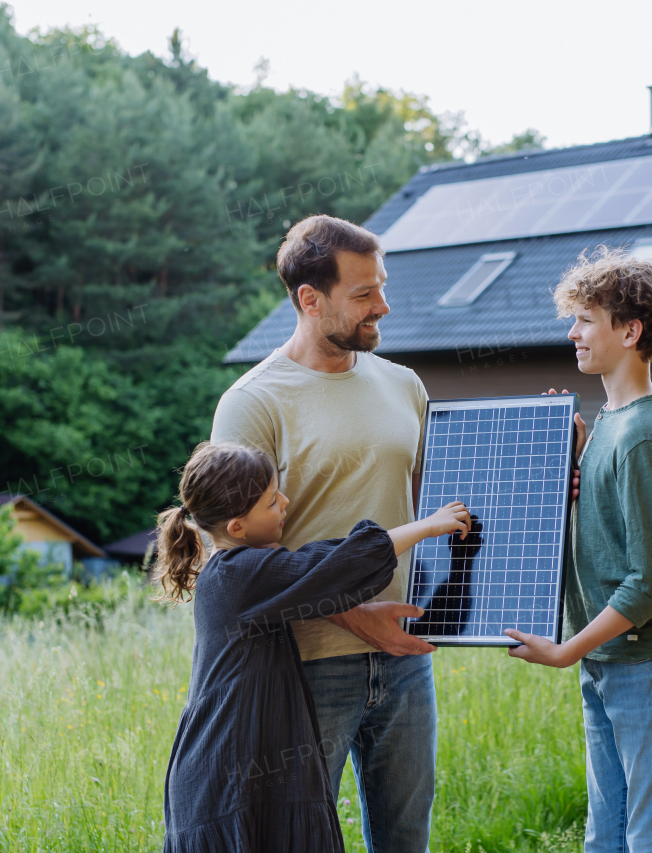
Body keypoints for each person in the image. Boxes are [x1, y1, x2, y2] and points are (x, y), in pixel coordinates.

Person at [211, 215, 439, 853]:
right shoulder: (253, 403)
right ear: (309, 299)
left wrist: (558, 463)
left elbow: (456, 497)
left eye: (382, 287)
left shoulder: (404, 385)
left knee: (407, 841)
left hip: (403, 659)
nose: (383, 306)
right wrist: (354, 613)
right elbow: (236, 560)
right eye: (363, 294)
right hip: (305, 664)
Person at [153, 441, 471, 852]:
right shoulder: (240, 574)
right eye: (271, 501)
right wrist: (428, 525)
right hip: (228, 774)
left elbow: (318, 580)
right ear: (237, 527)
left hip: (238, 763)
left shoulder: (236, 567)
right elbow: (332, 564)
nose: (285, 502)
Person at [504, 246, 652, 853]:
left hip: (651, 657)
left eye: (586, 320)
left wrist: (569, 649)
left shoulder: (644, 432)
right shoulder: (608, 421)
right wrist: (571, 459)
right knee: (608, 836)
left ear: (630, 330)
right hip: (613, 656)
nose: (572, 334)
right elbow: (607, 526)